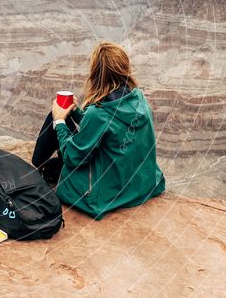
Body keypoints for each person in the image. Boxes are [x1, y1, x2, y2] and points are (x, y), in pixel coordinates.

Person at [31, 41, 166, 219]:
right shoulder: (138, 98)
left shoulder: (99, 113)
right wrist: (77, 113)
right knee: (65, 124)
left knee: (54, 121)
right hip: (141, 185)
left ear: (97, 74)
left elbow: (73, 157)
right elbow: (111, 128)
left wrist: (59, 121)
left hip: (106, 195)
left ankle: (36, 165)